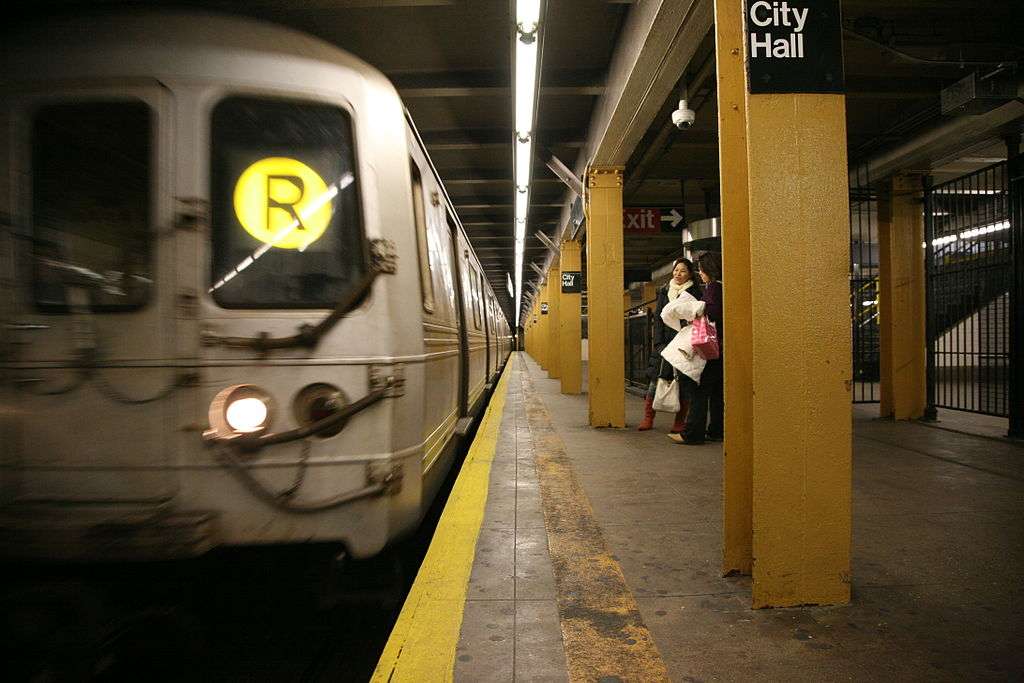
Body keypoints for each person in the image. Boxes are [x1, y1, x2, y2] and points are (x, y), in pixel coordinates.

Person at [637, 257, 701, 436]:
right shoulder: (665, 290)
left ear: (689, 274)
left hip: (684, 343)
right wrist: (657, 342)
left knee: (684, 383)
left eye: (682, 271)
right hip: (664, 343)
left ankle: (679, 422)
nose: (678, 274)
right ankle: (648, 418)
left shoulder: (695, 292)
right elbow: (658, 318)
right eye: (676, 270)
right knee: (655, 380)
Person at [680, 251, 723, 445]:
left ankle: (692, 434)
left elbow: (712, 311)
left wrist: (698, 308)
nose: (700, 274)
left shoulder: (713, 287)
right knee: (716, 392)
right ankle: (716, 430)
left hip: (711, 346)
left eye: (701, 270)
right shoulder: (723, 286)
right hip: (721, 347)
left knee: (699, 389)